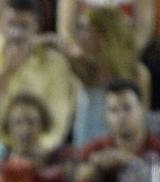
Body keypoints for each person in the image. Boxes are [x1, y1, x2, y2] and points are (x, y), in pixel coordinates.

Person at [0, 0, 78, 153]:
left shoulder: (54, 63)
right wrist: (7, 72)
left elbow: (58, 122)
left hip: (39, 152)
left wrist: (35, 151)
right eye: (11, 25)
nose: (16, 33)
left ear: (36, 27)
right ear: (1, 24)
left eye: (23, 26)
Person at [74, 79, 160, 182]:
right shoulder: (93, 150)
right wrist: (92, 173)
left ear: (142, 108)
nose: (121, 116)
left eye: (127, 108)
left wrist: (128, 161)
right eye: (113, 110)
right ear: (106, 115)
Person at [62, 5, 150, 149]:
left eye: (85, 29)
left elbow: (141, 123)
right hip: (86, 152)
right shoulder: (84, 69)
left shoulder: (138, 74)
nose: (79, 35)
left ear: (102, 36)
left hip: (125, 150)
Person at [0, 92, 70, 182]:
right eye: (17, 122)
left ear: (43, 124)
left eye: (31, 122)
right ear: (8, 127)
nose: (25, 129)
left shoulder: (59, 158)